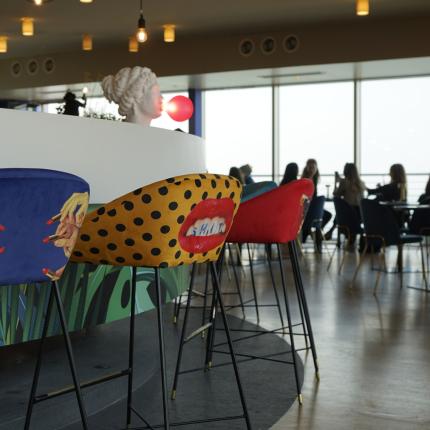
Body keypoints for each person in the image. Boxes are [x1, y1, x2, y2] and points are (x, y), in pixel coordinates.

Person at [301, 159, 332, 249]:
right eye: (310, 167)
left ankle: (311, 232)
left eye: (313, 167)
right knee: (323, 216)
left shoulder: (314, 180)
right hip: (307, 209)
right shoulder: (305, 181)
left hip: (312, 208)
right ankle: (312, 232)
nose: (311, 169)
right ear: (306, 168)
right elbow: (303, 199)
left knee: (326, 215)